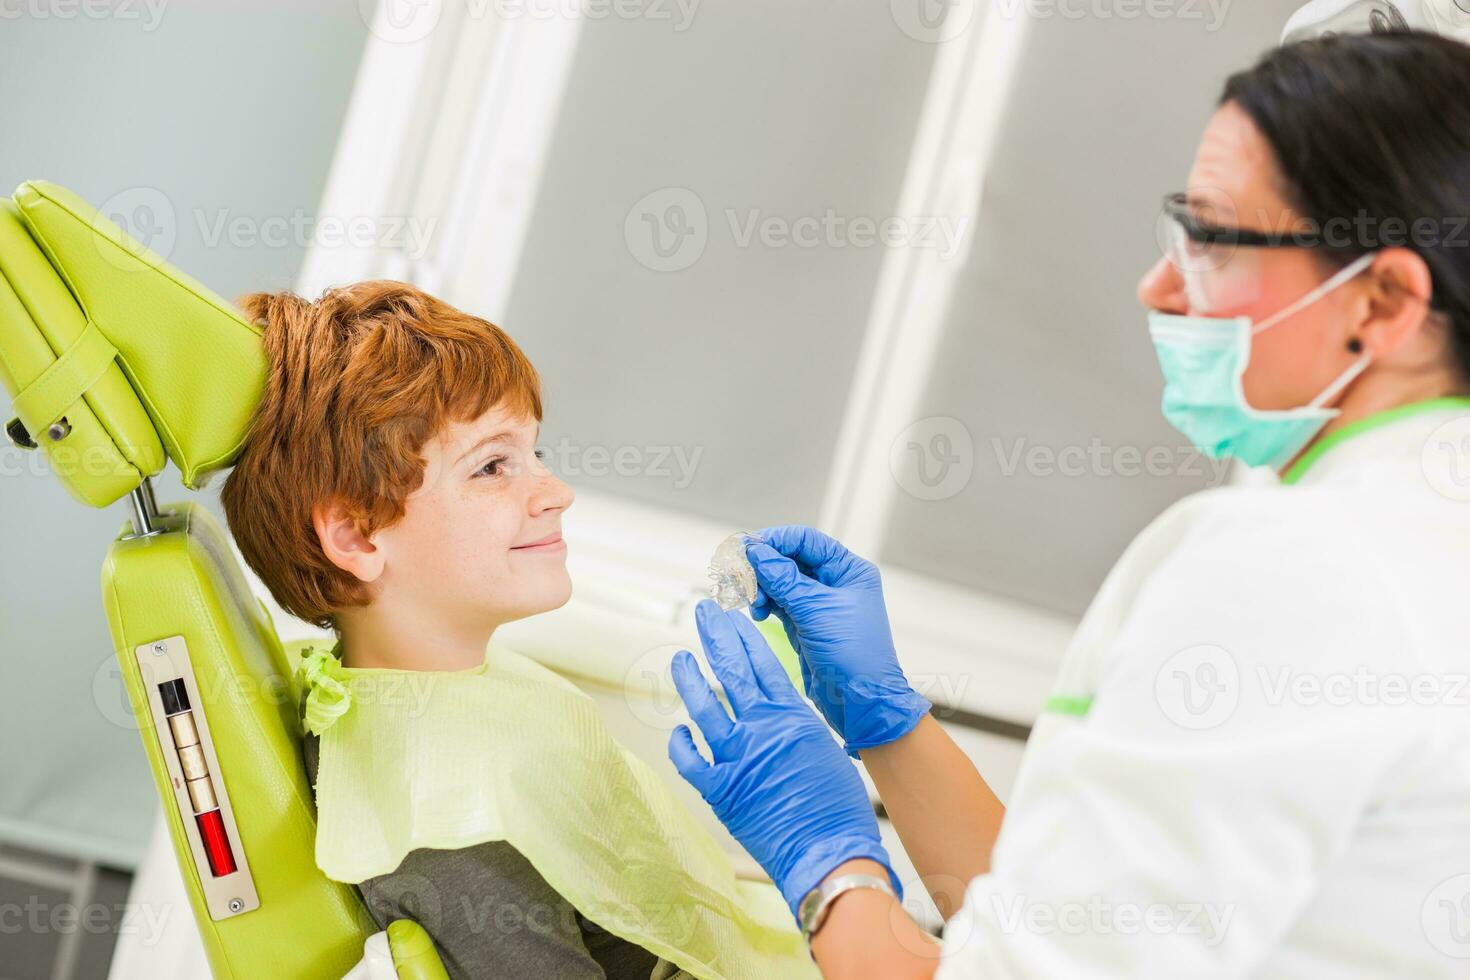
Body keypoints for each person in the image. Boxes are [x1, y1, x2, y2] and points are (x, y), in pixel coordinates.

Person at [667, 31, 1470, 978]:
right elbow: (1092, 925)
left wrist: (829, 871)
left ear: (1380, 302)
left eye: (1212, 239)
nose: (1159, 284)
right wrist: (888, 723)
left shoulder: (1306, 567)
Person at [221, 281, 814, 980]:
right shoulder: (445, 822)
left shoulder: (449, 689)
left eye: (533, 454)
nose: (555, 492)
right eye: (494, 465)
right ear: (355, 533)